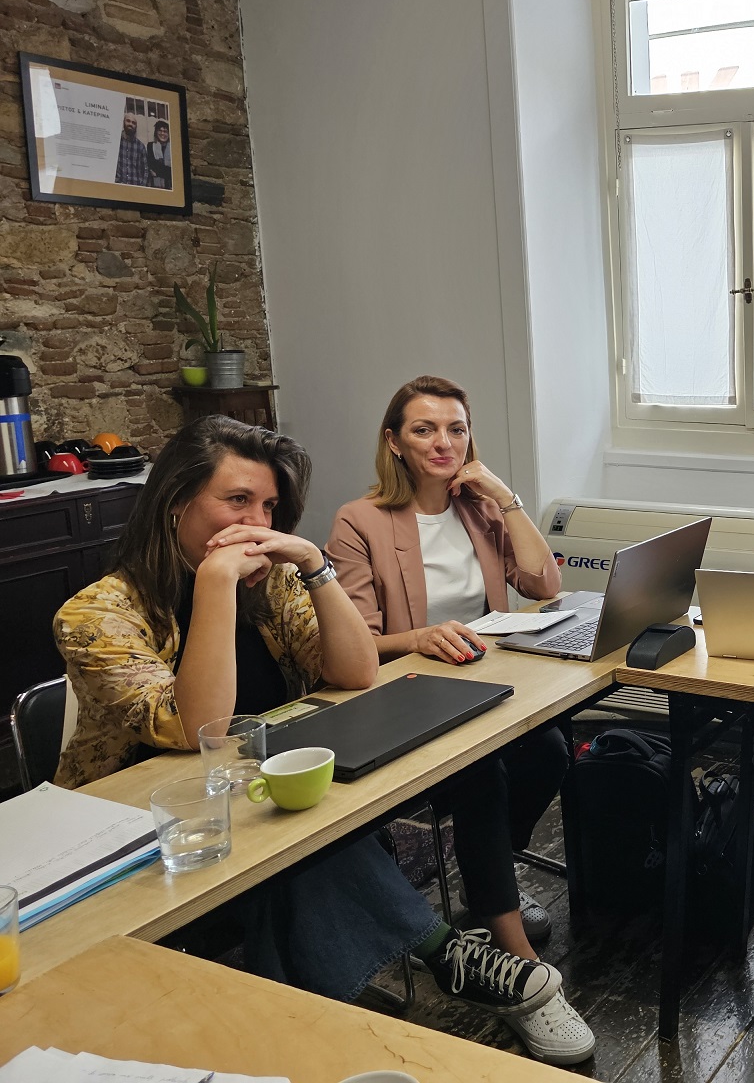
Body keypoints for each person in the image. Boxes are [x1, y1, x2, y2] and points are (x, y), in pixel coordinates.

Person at [53, 416, 566, 1041]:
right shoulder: (94, 614)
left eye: (269, 506)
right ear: (175, 503)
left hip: (261, 794)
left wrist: (316, 567)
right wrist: (214, 583)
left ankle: (316, 1028)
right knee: (300, 855)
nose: (258, 523)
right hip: (147, 828)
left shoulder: (272, 586)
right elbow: (195, 728)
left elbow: (355, 672)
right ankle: (443, 955)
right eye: (237, 500)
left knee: (344, 818)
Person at [325, 375, 593, 1064]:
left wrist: (506, 498)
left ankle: (485, 884)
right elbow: (357, 642)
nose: (443, 442)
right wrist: (418, 637)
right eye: (424, 429)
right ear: (394, 442)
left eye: (456, 429)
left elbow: (545, 585)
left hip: (492, 684)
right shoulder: (360, 520)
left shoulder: (479, 509)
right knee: (483, 777)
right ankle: (521, 968)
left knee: (551, 752)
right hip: (410, 698)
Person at [114, 114, 150, 187]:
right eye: (128, 121)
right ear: (123, 122)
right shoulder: (115, 142)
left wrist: (142, 185)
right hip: (118, 186)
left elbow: (146, 169)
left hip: (135, 187)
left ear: (136, 126)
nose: (131, 124)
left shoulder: (141, 146)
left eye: (134, 123)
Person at [147, 119, 172, 190]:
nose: (162, 133)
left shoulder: (173, 148)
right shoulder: (150, 146)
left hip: (170, 186)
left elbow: (174, 172)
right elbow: (152, 164)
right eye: (160, 131)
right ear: (156, 132)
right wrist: (167, 171)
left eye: (165, 131)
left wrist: (157, 173)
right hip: (155, 187)